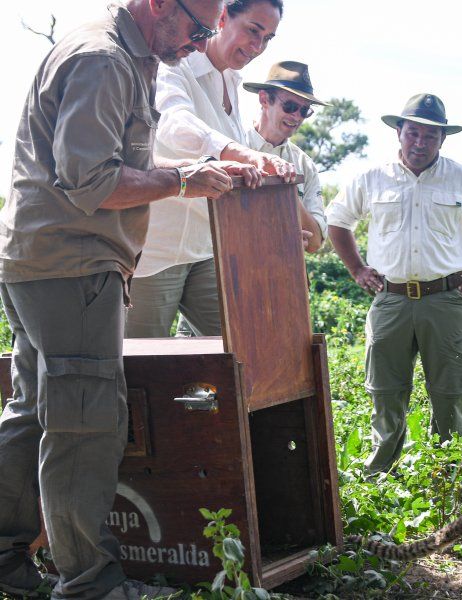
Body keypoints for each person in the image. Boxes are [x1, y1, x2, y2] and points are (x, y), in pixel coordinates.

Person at [0, 1, 259, 597]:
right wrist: (182, 181)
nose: (198, 44)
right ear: (159, 4)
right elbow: (90, 181)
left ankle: (6, 560)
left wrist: (189, 169)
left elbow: (117, 164)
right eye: (195, 28)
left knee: (34, 412)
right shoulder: (105, 59)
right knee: (84, 426)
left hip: (40, 264)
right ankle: (91, 583)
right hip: (74, 268)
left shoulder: (119, 53)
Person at [327, 93, 462, 474]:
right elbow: (338, 220)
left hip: (444, 299)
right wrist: (358, 269)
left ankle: (448, 474)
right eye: (413, 133)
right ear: (399, 132)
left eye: (430, 136)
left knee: (450, 390)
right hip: (390, 300)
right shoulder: (372, 177)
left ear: (442, 139)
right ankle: (381, 473)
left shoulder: (461, 177)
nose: (420, 143)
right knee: (385, 390)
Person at [126, 0, 295, 339]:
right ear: (221, 17)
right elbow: (174, 124)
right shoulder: (174, 62)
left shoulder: (232, 80)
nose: (257, 47)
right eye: (252, 31)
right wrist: (237, 152)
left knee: (244, 349)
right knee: (141, 369)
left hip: (209, 248)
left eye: (267, 39)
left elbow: (235, 164)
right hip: (155, 252)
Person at [243, 61, 330, 252]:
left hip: (287, 273)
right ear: (264, 99)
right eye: (290, 106)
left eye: (304, 110)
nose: (297, 116)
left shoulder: (304, 164)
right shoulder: (233, 142)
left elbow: (315, 243)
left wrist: (288, 193)